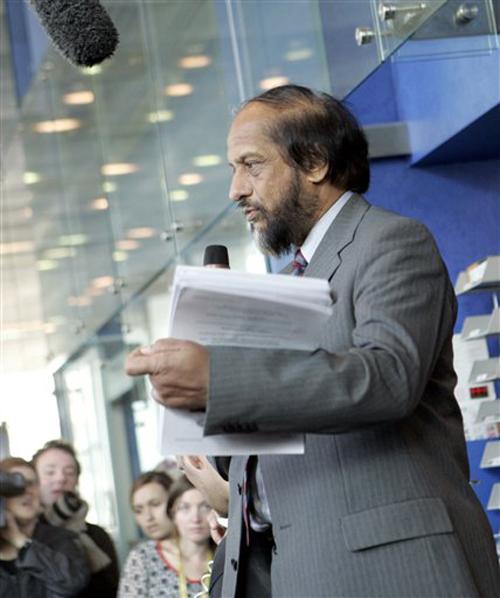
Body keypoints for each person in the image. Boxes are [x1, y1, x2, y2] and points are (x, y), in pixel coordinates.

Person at [125, 84, 500, 597]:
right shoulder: (294, 281)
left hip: (393, 571)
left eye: (251, 165)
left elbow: (387, 377)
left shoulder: (391, 242)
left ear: (316, 162)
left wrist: (217, 380)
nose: (235, 189)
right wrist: (239, 495)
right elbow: (303, 428)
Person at [32, 440, 120, 597]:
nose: (60, 478)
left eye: (69, 472)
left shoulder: (96, 536)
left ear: (77, 481)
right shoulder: (23, 535)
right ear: (33, 480)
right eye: (50, 472)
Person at [0, 456, 90, 597]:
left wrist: (21, 542)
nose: (27, 491)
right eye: (15, 485)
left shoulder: (61, 539)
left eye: (32, 484)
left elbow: (71, 584)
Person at [119, 473, 214, 597]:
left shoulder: (222, 555)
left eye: (155, 504)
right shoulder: (143, 557)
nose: (148, 517)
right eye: (138, 510)